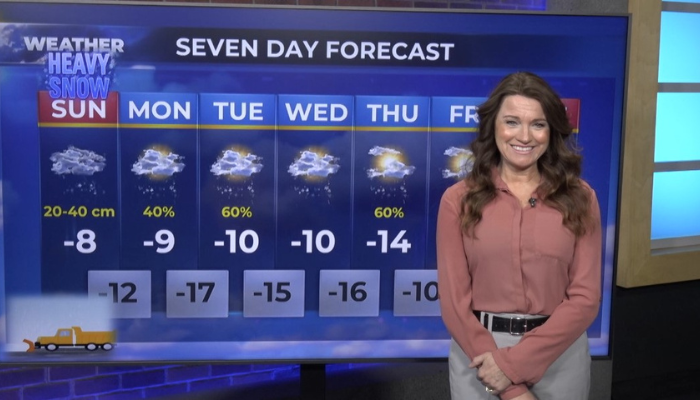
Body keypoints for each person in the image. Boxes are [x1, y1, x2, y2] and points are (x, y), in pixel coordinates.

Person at [436, 72, 601, 400]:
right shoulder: (458, 201)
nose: (524, 136)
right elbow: (454, 304)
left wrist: (513, 367)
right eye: (512, 122)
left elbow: (585, 298)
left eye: (537, 124)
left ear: (551, 131)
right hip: (480, 359)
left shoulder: (581, 198)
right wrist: (511, 387)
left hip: (559, 355)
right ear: (493, 127)